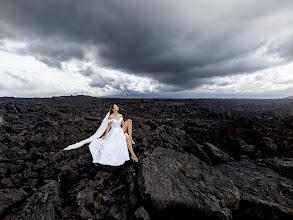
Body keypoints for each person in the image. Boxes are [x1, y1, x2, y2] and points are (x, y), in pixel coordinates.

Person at [63, 104, 139, 166]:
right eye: (116, 106)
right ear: (113, 109)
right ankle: (133, 155)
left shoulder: (120, 115)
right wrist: (105, 135)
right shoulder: (110, 117)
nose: (117, 107)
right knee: (126, 139)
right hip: (114, 132)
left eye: (117, 106)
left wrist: (126, 125)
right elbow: (108, 127)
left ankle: (131, 139)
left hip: (120, 130)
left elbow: (122, 124)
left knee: (129, 121)